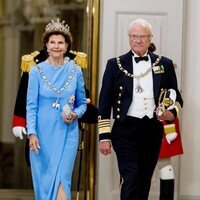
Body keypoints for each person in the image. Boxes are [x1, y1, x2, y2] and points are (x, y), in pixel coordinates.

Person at [98, 18, 183, 200]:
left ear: (150, 38)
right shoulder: (115, 64)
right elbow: (104, 103)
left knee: (144, 180)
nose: (138, 40)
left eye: (142, 36)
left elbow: (176, 97)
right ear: (129, 38)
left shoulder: (164, 64)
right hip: (124, 130)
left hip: (152, 130)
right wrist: (104, 136)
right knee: (131, 179)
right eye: (134, 36)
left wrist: (171, 113)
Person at [26, 19, 86, 200]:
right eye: (52, 42)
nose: (56, 46)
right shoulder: (36, 71)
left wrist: (76, 114)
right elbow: (31, 106)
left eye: (60, 42)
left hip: (67, 132)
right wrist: (32, 133)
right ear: (46, 45)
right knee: (43, 186)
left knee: (62, 181)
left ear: (67, 46)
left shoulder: (76, 71)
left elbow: (82, 103)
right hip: (42, 136)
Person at [149, 43, 184, 200]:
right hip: (140, 129)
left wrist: (170, 131)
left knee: (165, 167)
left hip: (162, 126)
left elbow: (171, 107)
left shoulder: (163, 71)